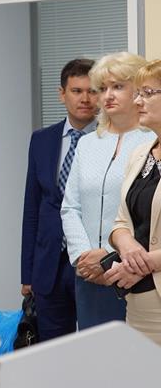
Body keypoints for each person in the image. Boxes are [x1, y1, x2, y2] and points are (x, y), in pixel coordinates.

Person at [61, 52, 152, 330]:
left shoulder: (152, 142)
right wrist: (83, 256)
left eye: (118, 87)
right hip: (88, 275)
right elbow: (70, 207)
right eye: (102, 88)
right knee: (95, 353)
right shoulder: (87, 143)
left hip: (134, 272)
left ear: (138, 91)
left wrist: (110, 257)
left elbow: (149, 215)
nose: (108, 95)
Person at [21, 58, 99, 341]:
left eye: (92, 91)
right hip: (49, 266)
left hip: (93, 263)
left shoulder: (109, 141)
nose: (85, 99)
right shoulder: (42, 140)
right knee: (53, 350)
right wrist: (27, 273)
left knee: (95, 345)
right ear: (62, 94)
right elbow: (32, 208)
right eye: (77, 91)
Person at [106, 59, 161, 345]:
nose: (137, 101)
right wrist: (126, 245)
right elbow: (120, 222)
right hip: (137, 300)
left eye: (147, 93)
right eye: (138, 93)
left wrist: (145, 263)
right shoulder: (139, 154)